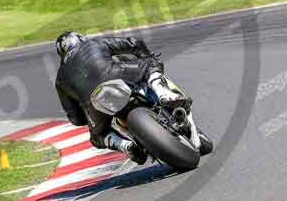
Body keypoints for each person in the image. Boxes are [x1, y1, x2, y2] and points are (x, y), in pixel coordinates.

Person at [54, 30, 191, 165]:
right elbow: (131, 43)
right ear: (80, 38)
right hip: (115, 74)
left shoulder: (60, 78)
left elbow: (75, 119)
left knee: (97, 136)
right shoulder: (92, 43)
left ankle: (124, 145)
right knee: (149, 63)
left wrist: (88, 115)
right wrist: (145, 54)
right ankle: (164, 94)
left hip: (94, 103)